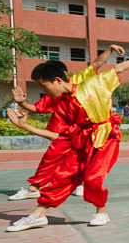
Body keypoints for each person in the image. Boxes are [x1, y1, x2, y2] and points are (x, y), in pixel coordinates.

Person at [4, 53, 129, 231]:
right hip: (81, 140)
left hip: (106, 138)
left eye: (44, 86)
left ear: (58, 80)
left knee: (92, 177)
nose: (44, 91)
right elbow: (57, 136)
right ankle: (37, 216)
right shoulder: (62, 104)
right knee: (63, 175)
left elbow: (117, 69)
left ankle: (101, 212)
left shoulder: (92, 84)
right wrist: (25, 126)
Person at [7, 44, 123, 201]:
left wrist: (110, 49)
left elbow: (96, 64)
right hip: (64, 132)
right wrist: (21, 103)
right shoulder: (53, 92)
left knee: (87, 160)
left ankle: (81, 187)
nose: (44, 88)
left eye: (43, 84)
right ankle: (35, 188)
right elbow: (36, 108)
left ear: (61, 75)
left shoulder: (77, 82)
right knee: (51, 158)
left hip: (84, 131)